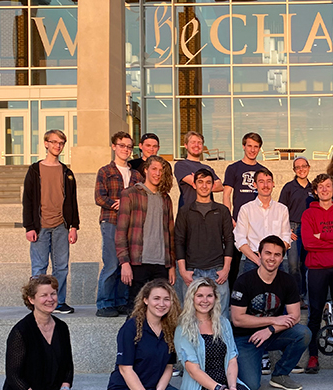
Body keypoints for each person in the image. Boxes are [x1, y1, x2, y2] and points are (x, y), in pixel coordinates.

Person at [230, 235, 311, 390]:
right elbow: (237, 319)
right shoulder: (244, 281)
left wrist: (270, 330)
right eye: (268, 253)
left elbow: (295, 316)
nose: (272, 258)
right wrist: (274, 320)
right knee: (251, 386)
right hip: (246, 338)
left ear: (282, 258)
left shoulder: (287, 281)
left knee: (303, 333)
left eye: (277, 254)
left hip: (273, 334)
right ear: (259, 255)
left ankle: (280, 375)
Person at [301, 173, 333, 375]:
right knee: (315, 314)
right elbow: (308, 243)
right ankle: (313, 356)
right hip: (316, 268)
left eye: (328, 186)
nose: (324, 189)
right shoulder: (308, 214)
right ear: (315, 191)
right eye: (320, 186)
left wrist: (321, 235)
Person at [22, 129, 79, 314]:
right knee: (39, 267)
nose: (58, 146)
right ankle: (38, 303)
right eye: (54, 142)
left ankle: (59, 302)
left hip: (61, 226)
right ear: (46, 144)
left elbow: (72, 201)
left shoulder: (66, 172)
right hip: (40, 226)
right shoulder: (34, 170)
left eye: (61, 143)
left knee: (61, 267)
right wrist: (29, 227)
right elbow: (28, 200)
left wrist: (74, 226)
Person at [116, 155, 177, 311]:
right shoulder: (130, 194)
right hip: (138, 262)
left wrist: (171, 266)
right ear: (145, 170)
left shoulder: (166, 198)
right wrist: (124, 263)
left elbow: (170, 234)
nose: (157, 173)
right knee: (136, 311)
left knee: (161, 310)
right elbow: (121, 231)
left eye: (161, 170)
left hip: (161, 264)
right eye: (154, 169)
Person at [95, 131, 143, 317]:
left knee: (126, 262)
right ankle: (105, 303)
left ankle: (122, 301)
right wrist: (119, 203)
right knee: (112, 263)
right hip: (111, 221)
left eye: (129, 147)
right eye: (122, 145)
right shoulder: (105, 171)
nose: (126, 150)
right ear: (114, 146)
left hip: (131, 224)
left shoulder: (136, 175)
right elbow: (100, 197)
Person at [175, 168, 234, 318]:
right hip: (192, 271)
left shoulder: (222, 211)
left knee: (221, 316)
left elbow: (229, 240)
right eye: (200, 182)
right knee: (190, 316)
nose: (204, 186)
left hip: (218, 271)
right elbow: (179, 241)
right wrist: (182, 271)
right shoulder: (185, 211)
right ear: (194, 185)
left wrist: (226, 268)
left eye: (208, 182)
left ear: (213, 185)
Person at [223, 132, 267, 288]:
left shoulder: (263, 170)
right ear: (243, 146)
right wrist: (229, 218)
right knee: (233, 263)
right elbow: (226, 195)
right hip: (237, 223)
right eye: (249, 146)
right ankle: (230, 295)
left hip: (257, 225)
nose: (252, 150)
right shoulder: (233, 168)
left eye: (256, 147)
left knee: (258, 262)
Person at [234, 168, 291, 275]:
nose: (265, 185)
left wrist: (276, 258)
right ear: (255, 185)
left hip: (277, 261)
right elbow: (240, 239)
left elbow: (286, 236)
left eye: (268, 181)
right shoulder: (246, 209)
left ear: (273, 184)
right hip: (253, 259)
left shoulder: (282, 209)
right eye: (261, 182)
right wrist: (258, 261)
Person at [278, 156, 313, 304]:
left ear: (309, 167)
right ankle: (296, 297)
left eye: (304, 166)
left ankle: (305, 296)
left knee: (307, 265)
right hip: (293, 228)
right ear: (294, 170)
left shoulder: (314, 188)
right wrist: (286, 229)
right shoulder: (288, 187)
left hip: (309, 229)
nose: (301, 169)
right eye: (298, 167)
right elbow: (281, 210)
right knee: (293, 265)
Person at [173, 131, 222, 209]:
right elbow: (196, 183)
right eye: (193, 142)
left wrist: (198, 179)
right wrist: (209, 183)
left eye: (199, 143)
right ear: (186, 145)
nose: (196, 145)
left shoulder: (207, 168)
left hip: (208, 211)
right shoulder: (181, 165)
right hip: (189, 211)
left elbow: (220, 186)